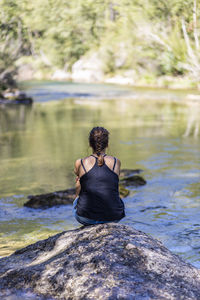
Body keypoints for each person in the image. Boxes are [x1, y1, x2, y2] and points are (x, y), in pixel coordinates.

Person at [73, 126, 125, 226]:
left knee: (79, 179)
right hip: (114, 217)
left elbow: (78, 175)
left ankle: (82, 208)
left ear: (89, 144)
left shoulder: (80, 162)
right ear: (107, 145)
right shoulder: (115, 162)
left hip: (85, 218)